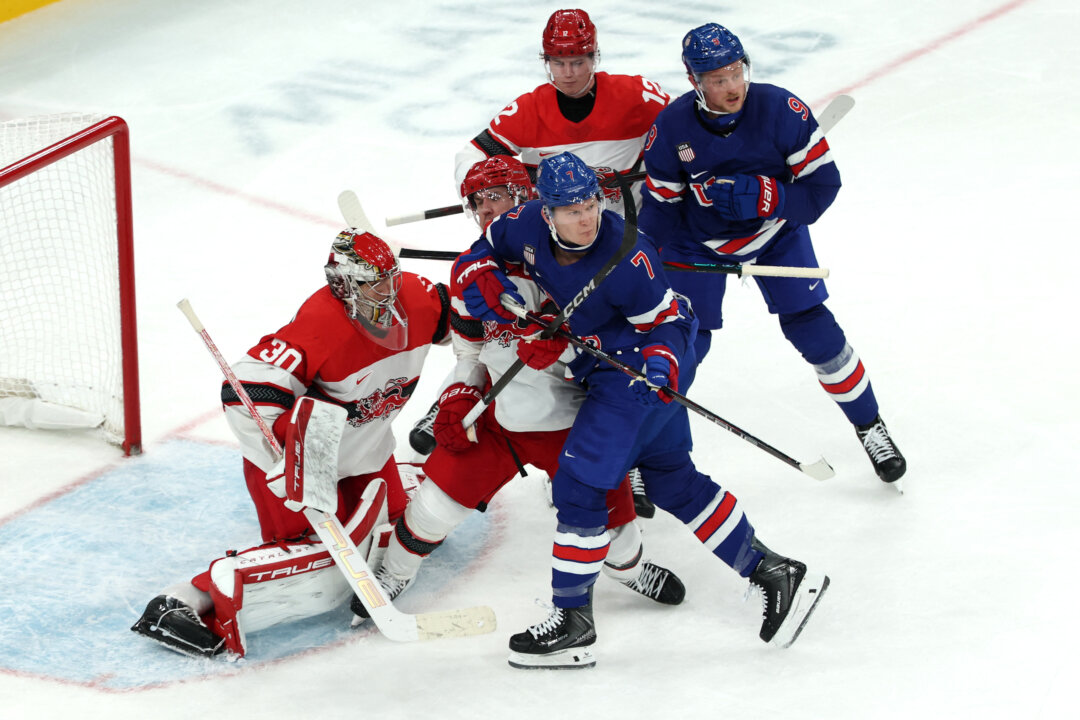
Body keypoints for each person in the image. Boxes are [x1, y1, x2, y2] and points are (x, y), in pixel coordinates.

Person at [454, 151, 829, 669]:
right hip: (603, 363)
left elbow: (672, 321)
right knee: (674, 480)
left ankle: (573, 623)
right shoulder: (522, 225)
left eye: (590, 204)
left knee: (580, 486)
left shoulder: (629, 256)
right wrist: (486, 287)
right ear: (547, 212)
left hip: (636, 374)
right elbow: (478, 255)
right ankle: (774, 571)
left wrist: (663, 363)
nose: (585, 217)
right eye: (571, 210)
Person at [357, 156, 684, 626]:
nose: (487, 210)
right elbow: (469, 358)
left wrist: (570, 354)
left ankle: (629, 571)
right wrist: (458, 396)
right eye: (478, 203)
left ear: (528, 202)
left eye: (498, 198)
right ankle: (393, 574)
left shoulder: (572, 269)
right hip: (500, 419)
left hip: (572, 424)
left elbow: (613, 356)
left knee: (615, 530)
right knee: (433, 504)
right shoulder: (471, 274)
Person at [130, 229, 452, 658]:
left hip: (367, 452)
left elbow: (470, 321)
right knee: (314, 561)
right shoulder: (319, 326)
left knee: (405, 530)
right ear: (343, 284)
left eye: (392, 278)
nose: (390, 291)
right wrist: (287, 466)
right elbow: (244, 396)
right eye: (377, 283)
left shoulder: (417, 298)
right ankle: (181, 602)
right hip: (301, 466)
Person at [638, 23, 905, 484]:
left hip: (777, 234)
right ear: (693, 82)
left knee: (813, 328)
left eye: (736, 72)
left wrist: (771, 197)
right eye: (717, 79)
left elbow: (823, 188)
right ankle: (638, 454)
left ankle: (870, 424)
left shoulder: (782, 108)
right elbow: (659, 212)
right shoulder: (670, 129)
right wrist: (640, 262)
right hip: (695, 244)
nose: (732, 86)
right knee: (682, 345)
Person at [454, 8, 671, 213]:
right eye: (558, 63)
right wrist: (484, 190)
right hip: (555, 236)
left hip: (629, 230)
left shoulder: (635, 96)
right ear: (546, 61)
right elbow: (472, 155)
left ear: (593, 58)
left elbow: (685, 120)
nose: (568, 74)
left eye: (577, 63)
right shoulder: (528, 110)